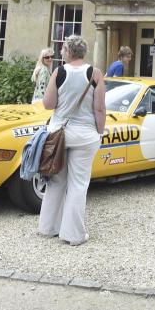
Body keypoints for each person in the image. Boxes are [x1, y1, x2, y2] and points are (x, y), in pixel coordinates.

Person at [37, 34, 105, 246]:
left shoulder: (59, 72)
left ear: (67, 52)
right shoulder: (95, 73)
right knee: (78, 185)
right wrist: (100, 133)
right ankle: (73, 234)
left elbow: (48, 104)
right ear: (83, 52)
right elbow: (100, 108)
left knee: (56, 181)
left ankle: (48, 228)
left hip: (59, 133)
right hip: (85, 135)